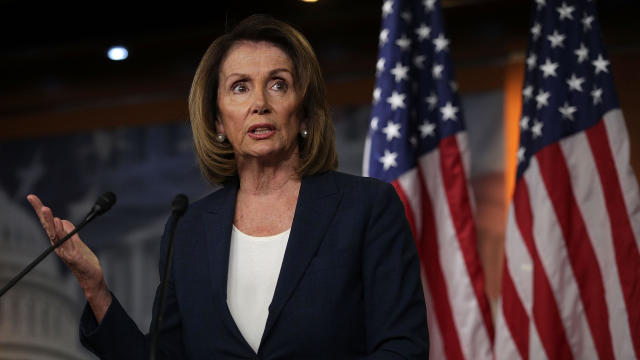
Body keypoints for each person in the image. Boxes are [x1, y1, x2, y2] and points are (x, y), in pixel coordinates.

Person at [27, 14, 429, 359]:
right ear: (218, 121)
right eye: (240, 87)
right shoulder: (188, 229)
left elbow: (402, 347)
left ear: (304, 113)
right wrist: (94, 286)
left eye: (278, 84)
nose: (260, 103)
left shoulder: (367, 207)